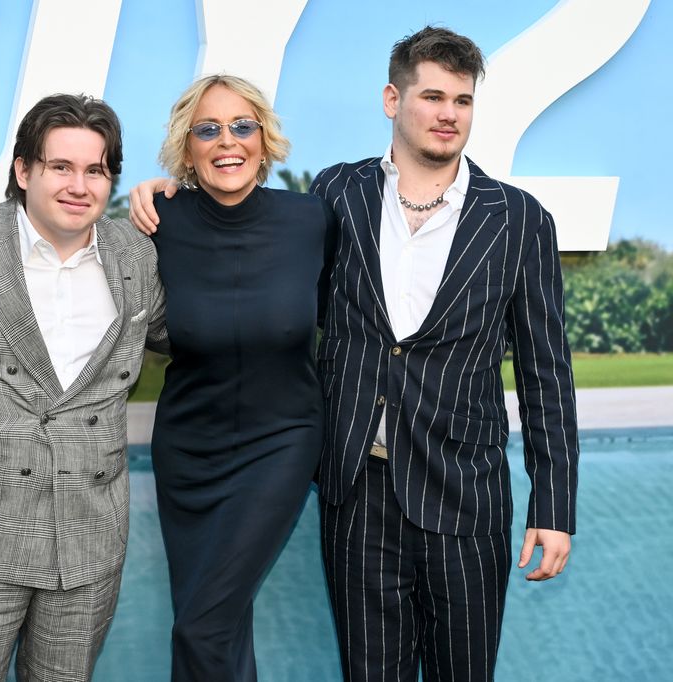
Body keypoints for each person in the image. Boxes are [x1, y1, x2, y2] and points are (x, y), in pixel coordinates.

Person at [311, 27, 579, 681]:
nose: (448, 114)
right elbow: (285, 300)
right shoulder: (335, 194)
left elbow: (546, 373)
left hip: (465, 495)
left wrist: (554, 507)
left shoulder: (519, 219)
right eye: (432, 96)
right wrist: (171, 196)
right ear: (392, 99)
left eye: (462, 100)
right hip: (357, 493)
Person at [0, 93, 167, 682]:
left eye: (95, 170)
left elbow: (191, 333)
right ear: (24, 170)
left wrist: (187, 200)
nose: (79, 186)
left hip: (90, 539)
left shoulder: (138, 257)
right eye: (61, 167)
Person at [132, 74, 328, 681]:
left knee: (202, 626)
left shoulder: (311, 220)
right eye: (207, 130)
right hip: (189, 452)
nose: (227, 141)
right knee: (215, 620)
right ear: (186, 147)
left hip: (281, 442)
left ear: (264, 139)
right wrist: (147, 193)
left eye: (243, 126)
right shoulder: (159, 220)